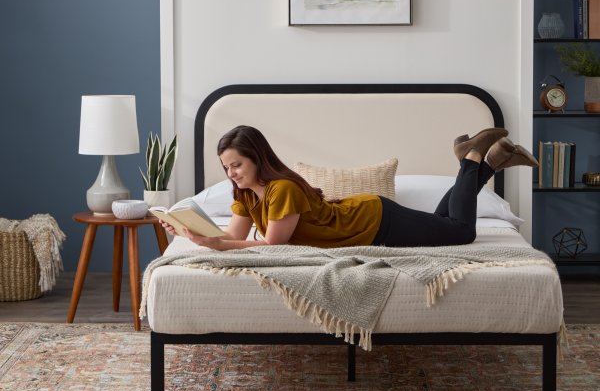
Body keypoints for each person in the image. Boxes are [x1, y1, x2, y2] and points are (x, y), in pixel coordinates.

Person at [159, 125, 538, 250]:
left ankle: (472, 160)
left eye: (237, 165)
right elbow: (232, 237)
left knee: (460, 233)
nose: (232, 174)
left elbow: (270, 247)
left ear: (257, 158)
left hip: (371, 221)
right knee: (442, 219)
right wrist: (193, 233)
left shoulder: (283, 190)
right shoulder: (241, 195)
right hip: (365, 219)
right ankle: (487, 162)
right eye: (226, 168)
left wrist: (217, 244)